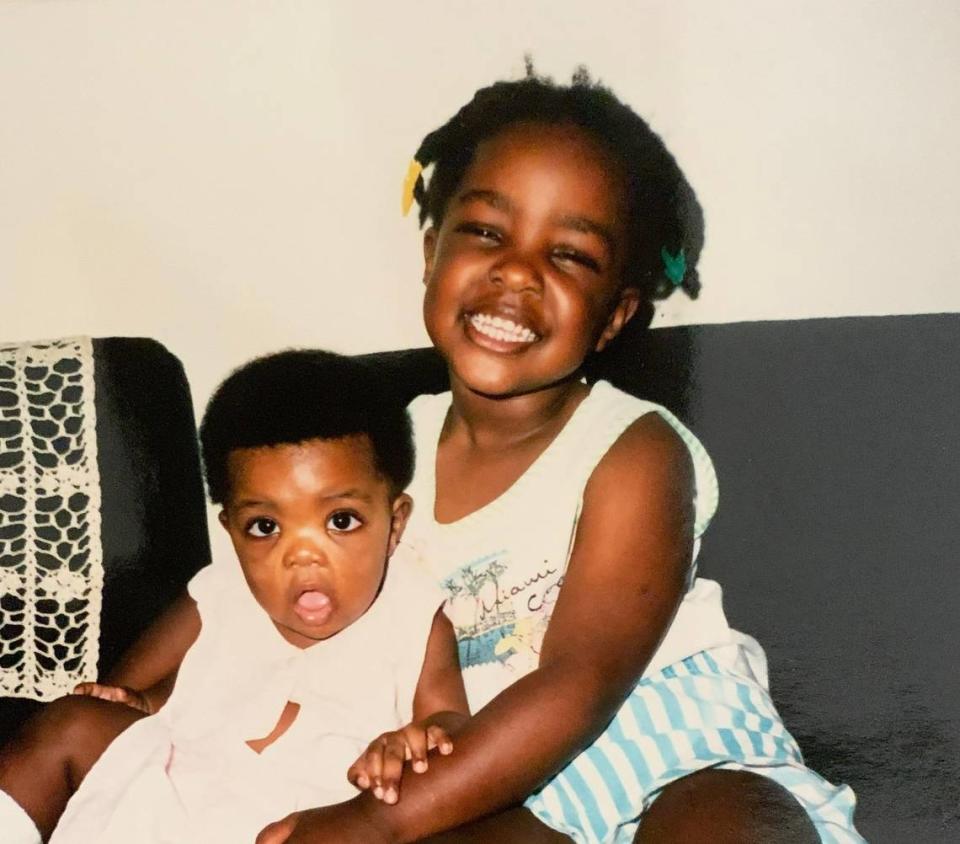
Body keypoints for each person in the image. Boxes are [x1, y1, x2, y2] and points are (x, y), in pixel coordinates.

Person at [258, 67, 866, 843]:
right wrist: (148, 695)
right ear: (429, 251)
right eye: (485, 231)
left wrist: (374, 824)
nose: (518, 271)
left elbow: (578, 684)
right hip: (494, 783)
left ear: (615, 317)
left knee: (730, 826)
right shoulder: (374, 453)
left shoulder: (633, 450)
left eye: (571, 255)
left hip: (675, 752)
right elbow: (273, 590)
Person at [0, 350, 468, 843]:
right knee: (75, 721)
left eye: (340, 521)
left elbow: (451, 722)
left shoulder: (414, 615)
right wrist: (134, 700)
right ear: (231, 530)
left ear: (394, 524)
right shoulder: (217, 594)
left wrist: (414, 740)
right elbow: (127, 697)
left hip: (299, 820)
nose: (302, 557)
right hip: (163, 796)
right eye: (265, 527)